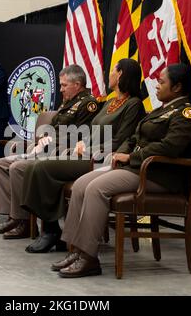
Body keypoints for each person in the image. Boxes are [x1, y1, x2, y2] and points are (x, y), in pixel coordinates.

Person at [54, 63, 191, 278]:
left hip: (156, 175)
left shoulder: (186, 113)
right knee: (81, 184)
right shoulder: (161, 110)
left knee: (95, 189)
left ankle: (88, 257)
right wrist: (118, 156)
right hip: (134, 168)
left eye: (161, 82)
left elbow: (170, 147)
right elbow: (132, 139)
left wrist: (130, 157)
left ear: (177, 87)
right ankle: (75, 249)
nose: (157, 86)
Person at [20, 59, 145, 253]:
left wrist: (89, 149)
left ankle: (51, 231)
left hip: (100, 158)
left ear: (120, 74)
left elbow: (122, 139)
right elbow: (92, 131)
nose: (109, 73)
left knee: (42, 167)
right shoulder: (110, 102)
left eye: (113, 70)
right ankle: (52, 229)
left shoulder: (133, 104)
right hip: (86, 152)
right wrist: (82, 143)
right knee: (36, 165)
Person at [0, 64, 100, 239]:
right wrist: (42, 139)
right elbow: (54, 127)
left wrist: (50, 143)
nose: (61, 89)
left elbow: (80, 137)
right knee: (0, 164)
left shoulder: (88, 104)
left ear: (77, 84)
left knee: (17, 168)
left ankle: (24, 221)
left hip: (61, 153)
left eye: (64, 85)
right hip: (46, 148)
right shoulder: (68, 102)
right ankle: (13, 216)